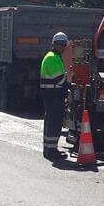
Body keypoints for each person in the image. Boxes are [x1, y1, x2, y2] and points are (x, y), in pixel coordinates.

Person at [40, 32, 70, 161]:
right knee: (54, 122)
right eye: (61, 44)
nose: (63, 47)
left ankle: (49, 148)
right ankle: (51, 150)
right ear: (55, 44)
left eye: (65, 44)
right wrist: (69, 83)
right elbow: (59, 79)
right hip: (54, 96)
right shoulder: (53, 58)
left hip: (51, 95)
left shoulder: (53, 56)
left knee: (51, 121)